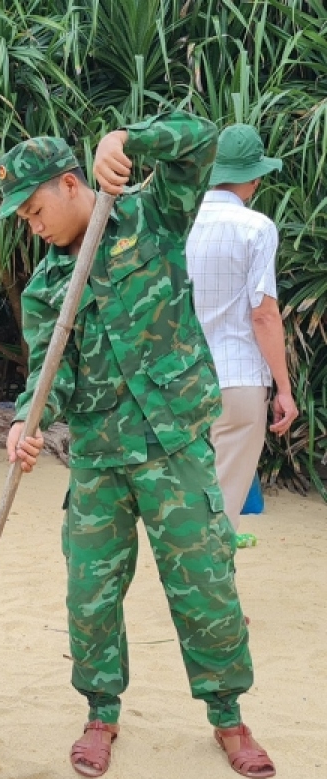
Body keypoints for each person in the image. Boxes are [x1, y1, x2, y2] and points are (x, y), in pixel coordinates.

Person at [0, 111, 274, 779]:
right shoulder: (45, 287)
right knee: (90, 594)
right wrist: (25, 423)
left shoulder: (153, 218)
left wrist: (126, 140)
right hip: (97, 458)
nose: (32, 225)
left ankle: (228, 715)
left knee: (204, 585)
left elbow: (202, 142)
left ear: (70, 183)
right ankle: (100, 711)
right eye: (24, 218)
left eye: (35, 209)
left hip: (175, 444)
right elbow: (47, 375)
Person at [186, 124, 297, 548]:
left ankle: (193, 593)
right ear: (253, 179)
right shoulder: (256, 227)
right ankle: (211, 607)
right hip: (237, 380)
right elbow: (264, 315)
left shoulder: (180, 224)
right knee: (224, 502)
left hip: (183, 379)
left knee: (191, 495)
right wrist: (284, 389)